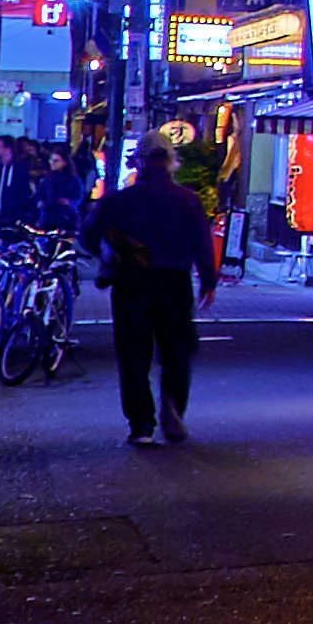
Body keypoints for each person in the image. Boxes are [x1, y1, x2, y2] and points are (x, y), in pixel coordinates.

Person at [81, 136, 215, 445]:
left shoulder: (118, 201)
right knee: (177, 352)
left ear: (137, 163)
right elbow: (201, 242)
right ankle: (173, 407)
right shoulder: (187, 199)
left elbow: (88, 234)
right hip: (175, 281)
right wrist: (208, 280)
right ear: (170, 162)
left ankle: (141, 423)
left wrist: (110, 252)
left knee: (133, 355)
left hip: (132, 282)